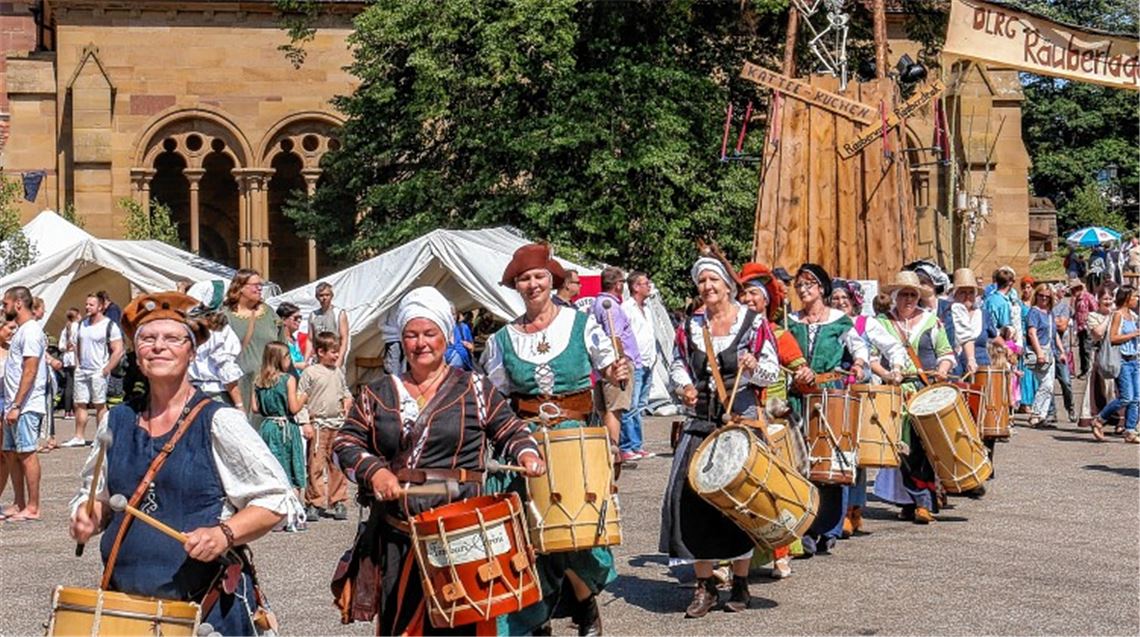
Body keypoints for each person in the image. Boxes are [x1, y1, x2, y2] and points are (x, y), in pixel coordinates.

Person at [68, 291, 302, 635]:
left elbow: (277, 500)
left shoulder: (219, 421)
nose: (158, 346)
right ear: (136, 351)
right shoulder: (115, 421)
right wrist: (88, 516)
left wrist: (224, 533)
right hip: (127, 611)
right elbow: (98, 499)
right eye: (148, 338)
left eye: (172, 339)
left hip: (205, 611)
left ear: (192, 352)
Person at [334, 286, 545, 635]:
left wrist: (526, 451)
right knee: (401, 626)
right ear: (401, 340)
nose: (421, 343)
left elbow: (509, 427)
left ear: (445, 336)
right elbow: (346, 441)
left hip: (463, 534)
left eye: (429, 333)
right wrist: (375, 472)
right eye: (411, 335)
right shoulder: (377, 392)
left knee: (464, 626)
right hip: (399, 536)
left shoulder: (475, 387)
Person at [480, 243, 627, 635]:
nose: (532, 284)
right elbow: (494, 399)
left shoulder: (582, 324)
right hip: (526, 441)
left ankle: (584, 602)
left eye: (539, 277)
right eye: (524, 279)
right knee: (532, 534)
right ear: (516, 285)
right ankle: (538, 616)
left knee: (578, 533)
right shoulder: (502, 339)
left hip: (575, 441)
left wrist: (616, 372)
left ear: (553, 280)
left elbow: (610, 370)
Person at [662, 256, 779, 618]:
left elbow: (772, 371)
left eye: (714, 280)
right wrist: (683, 387)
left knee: (739, 504)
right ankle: (705, 586)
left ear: (728, 285)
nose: (708, 287)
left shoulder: (753, 323)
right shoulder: (690, 324)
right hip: (700, 422)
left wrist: (753, 367)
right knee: (692, 502)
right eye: (702, 282)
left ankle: (741, 582)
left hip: (739, 424)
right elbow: (677, 363)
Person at [736, 261, 807, 580]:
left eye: (754, 293)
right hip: (740, 415)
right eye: (744, 293)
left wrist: (805, 374)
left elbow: (804, 376)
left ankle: (780, 554)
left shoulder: (780, 334)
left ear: (767, 300)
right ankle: (729, 560)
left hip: (775, 417)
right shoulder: (730, 332)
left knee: (774, 489)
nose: (748, 299)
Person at [872, 271, 955, 524]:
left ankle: (923, 502)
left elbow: (947, 353)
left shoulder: (931, 322)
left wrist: (942, 371)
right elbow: (873, 357)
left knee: (923, 449)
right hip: (894, 394)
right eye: (904, 294)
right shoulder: (882, 323)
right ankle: (908, 501)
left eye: (912, 294)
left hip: (923, 393)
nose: (908, 299)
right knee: (900, 450)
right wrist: (887, 374)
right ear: (895, 297)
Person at [829, 278, 907, 534]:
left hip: (860, 394)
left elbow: (894, 347)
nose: (840, 303)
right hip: (830, 392)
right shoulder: (826, 322)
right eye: (836, 299)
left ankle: (853, 509)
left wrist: (895, 369)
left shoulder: (866, 324)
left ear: (855, 302)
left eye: (845, 299)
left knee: (855, 452)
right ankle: (833, 511)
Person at [0, 287, 47, 521]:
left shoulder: (30, 331)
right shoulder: (20, 331)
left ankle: (33, 506)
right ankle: (19, 503)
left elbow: (31, 368)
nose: (3, 308)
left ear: (18, 303)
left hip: (26, 405)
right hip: (12, 404)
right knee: (10, 453)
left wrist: (18, 404)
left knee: (27, 452)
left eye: (5, 303)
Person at [252, 341, 307, 530]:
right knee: (292, 468)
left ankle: (276, 516)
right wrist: (304, 398)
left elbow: (255, 408)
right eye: (287, 357)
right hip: (286, 427)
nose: (289, 360)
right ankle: (295, 516)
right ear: (278, 359)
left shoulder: (259, 380)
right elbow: (293, 407)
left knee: (273, 470)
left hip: (268, 427)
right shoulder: (288, 379)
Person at [299, 331, 352, 522]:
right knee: (315, 463)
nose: (336, 355)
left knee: (336, 464)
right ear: (320, 352)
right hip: (318, 424)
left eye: (337, 352)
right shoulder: (310, 372)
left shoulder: (338, 372)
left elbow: (344, 390)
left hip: (336, 423)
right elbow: (300, 399)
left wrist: (347, 399)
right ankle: (314, 501)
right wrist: (305, 422)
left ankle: (338, 500)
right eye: (333, 352)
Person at [63, 292, 125, 447]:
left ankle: (99, 438)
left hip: (98, 370)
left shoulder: (109, 325)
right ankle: (79, 436)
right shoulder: (81, 324)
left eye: (91, 304)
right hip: (82, 370)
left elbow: (118, 349)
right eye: (86, 304)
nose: (87, 307)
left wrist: (106, 369)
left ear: (101, 306)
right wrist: (78, 365)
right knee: (79, 403)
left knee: (99, 404)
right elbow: (76, 344)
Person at [593, 266, 641, 462]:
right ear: (618, 285)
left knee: (609, 409)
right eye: (622, 282)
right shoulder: (609, 306)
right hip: (615, 364)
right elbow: (615, 337)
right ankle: (613, 453)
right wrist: (620, 361)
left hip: (605, 364)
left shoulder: (599, 303)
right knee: (614, 409)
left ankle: (610, 450)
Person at [223, 269, 282, 416]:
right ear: (240, 287)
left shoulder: (269, 313)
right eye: (255, 285)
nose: (260, 288)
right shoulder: (225, 315)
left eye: (261, 285)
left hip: (268, 383)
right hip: (237, 386)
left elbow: (282, 347)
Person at [1092, 285, 1140, 443]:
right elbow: (1113, 338)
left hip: (1134, 359)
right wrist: (1135, 333)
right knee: (1126, 397)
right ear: (1126, 298)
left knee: (1137, 397)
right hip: (1122, 360)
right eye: (1134, 296)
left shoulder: (1132, 316)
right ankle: (1100, 419)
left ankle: (1130, 430)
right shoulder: (1117, 315)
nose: (1137, 300)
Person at [186, 280, 244, 408]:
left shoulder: (183, 329)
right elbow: (225, 368)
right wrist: (239, 404)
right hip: (215, 395)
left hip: (188, 394)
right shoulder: (220, 332)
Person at [622, 270, 657, 460]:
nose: (649, 285)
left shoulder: (647, 309)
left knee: (641, 405)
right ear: (636, 287)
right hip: (634, 362)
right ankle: (627, 446)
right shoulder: (627, 308)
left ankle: (637, 445)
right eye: (645, 283)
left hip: (648, 361)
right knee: (630, 405)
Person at [1078, 285, 1120, 432]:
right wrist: (1109, 317)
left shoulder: (1118, 315)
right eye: (1105, 299)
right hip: (1100, 356)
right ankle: (1099, 417)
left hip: (1116, 356)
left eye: (1110, 298)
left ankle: (1118, 421)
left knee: (1116, 390)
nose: (1108, 302)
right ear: (1099, 300)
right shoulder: (1093, 316)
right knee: (1101, 388)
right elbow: (1098, 333)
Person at [1025, 284, 1063, 428]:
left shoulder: (1049, 313)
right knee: (1045, 384)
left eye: (1047, 296)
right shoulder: (1034, 312)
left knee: (1050, 385)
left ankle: (1041, 415)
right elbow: (1031, 333)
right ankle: (1036, 413)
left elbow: (1054, 335)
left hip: (1050, 350)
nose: (1044, 299)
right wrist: (1039, 352)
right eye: (1041, 296)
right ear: (1037, 296)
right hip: (1038, 350)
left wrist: (1061, 351)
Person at [302, 282, 350, 371]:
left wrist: (340, 359)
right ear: (317, 297)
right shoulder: (313, 315)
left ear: (331, 296)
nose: (324, 298)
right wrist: (306, 360)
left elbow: (344, 338)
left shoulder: (339, 313)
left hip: (334, 357)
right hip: (318, 358)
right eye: (321, 295)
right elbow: (310, 339)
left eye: (327, 295)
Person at [1049, 285, 1076, 423]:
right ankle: (1051, 412)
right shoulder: (1043, 309)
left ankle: (1070, 407)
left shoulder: (1063, 307)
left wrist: (1051, 322)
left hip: (1061, 350)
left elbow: (1062, 326)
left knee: (1066, 381)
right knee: (1048, 384)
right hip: (1047, 350)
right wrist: (1055, 322)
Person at [58, 308, 81, 419]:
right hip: (75, 358)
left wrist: (66, 347)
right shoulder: (78, 327)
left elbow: (61, 346)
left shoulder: (65, 329)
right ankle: (76, 409)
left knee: (69, 384)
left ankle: (68, 411)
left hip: (67, 358)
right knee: (77, 385)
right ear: (77, 316)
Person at [1072, 279, 1097, 377]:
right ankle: (1083, 369)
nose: (1073, 292)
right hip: (1080, 327)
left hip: (1087, 327)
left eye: (1074, 290)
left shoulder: (1088, 297)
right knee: (1081, 350)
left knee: (1087, 349)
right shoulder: (1077, 299)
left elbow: (1095, 310)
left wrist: (1089, 320)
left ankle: (1088, 370)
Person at [276, 302, 308, 377]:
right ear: (283, 320)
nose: (299, 321)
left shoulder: (294, 339)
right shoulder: (278, 340)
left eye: (300, 318)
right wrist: (297, 365)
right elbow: (275, 364)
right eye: (296, 318)